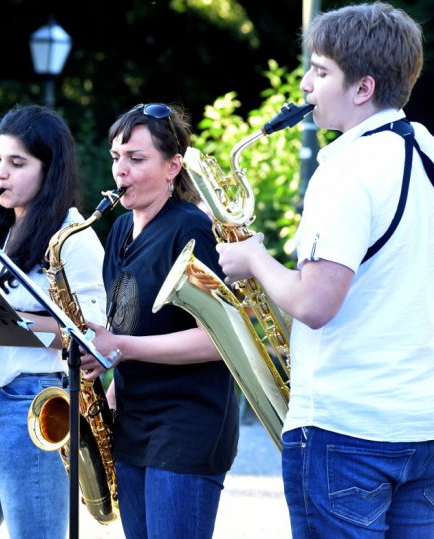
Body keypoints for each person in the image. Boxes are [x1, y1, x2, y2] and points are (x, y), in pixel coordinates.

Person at [216, 3, 434, 537]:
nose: (306, 86)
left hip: (347, 430)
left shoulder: (345, 171)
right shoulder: (426, 146)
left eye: (320, 71)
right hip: (423, 423)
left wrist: (253, 259)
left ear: (362, 88)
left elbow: (314, 304)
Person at [0, 104, 107, 538]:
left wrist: (7, 320)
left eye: (17, 163)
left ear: (50, 170)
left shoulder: (74, 237)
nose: (1, 174)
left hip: (33, 404)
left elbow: (91, 338)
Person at [79, 103, 239, 538]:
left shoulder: (191, 229)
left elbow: (219, 339)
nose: (121, 170)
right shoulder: (117, 231)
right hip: (135, 423)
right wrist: (103, 402)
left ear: (173, 166)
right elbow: (132, 326)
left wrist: (120, 347)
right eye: (117, 158)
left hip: (187, 429)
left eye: (136, 158)